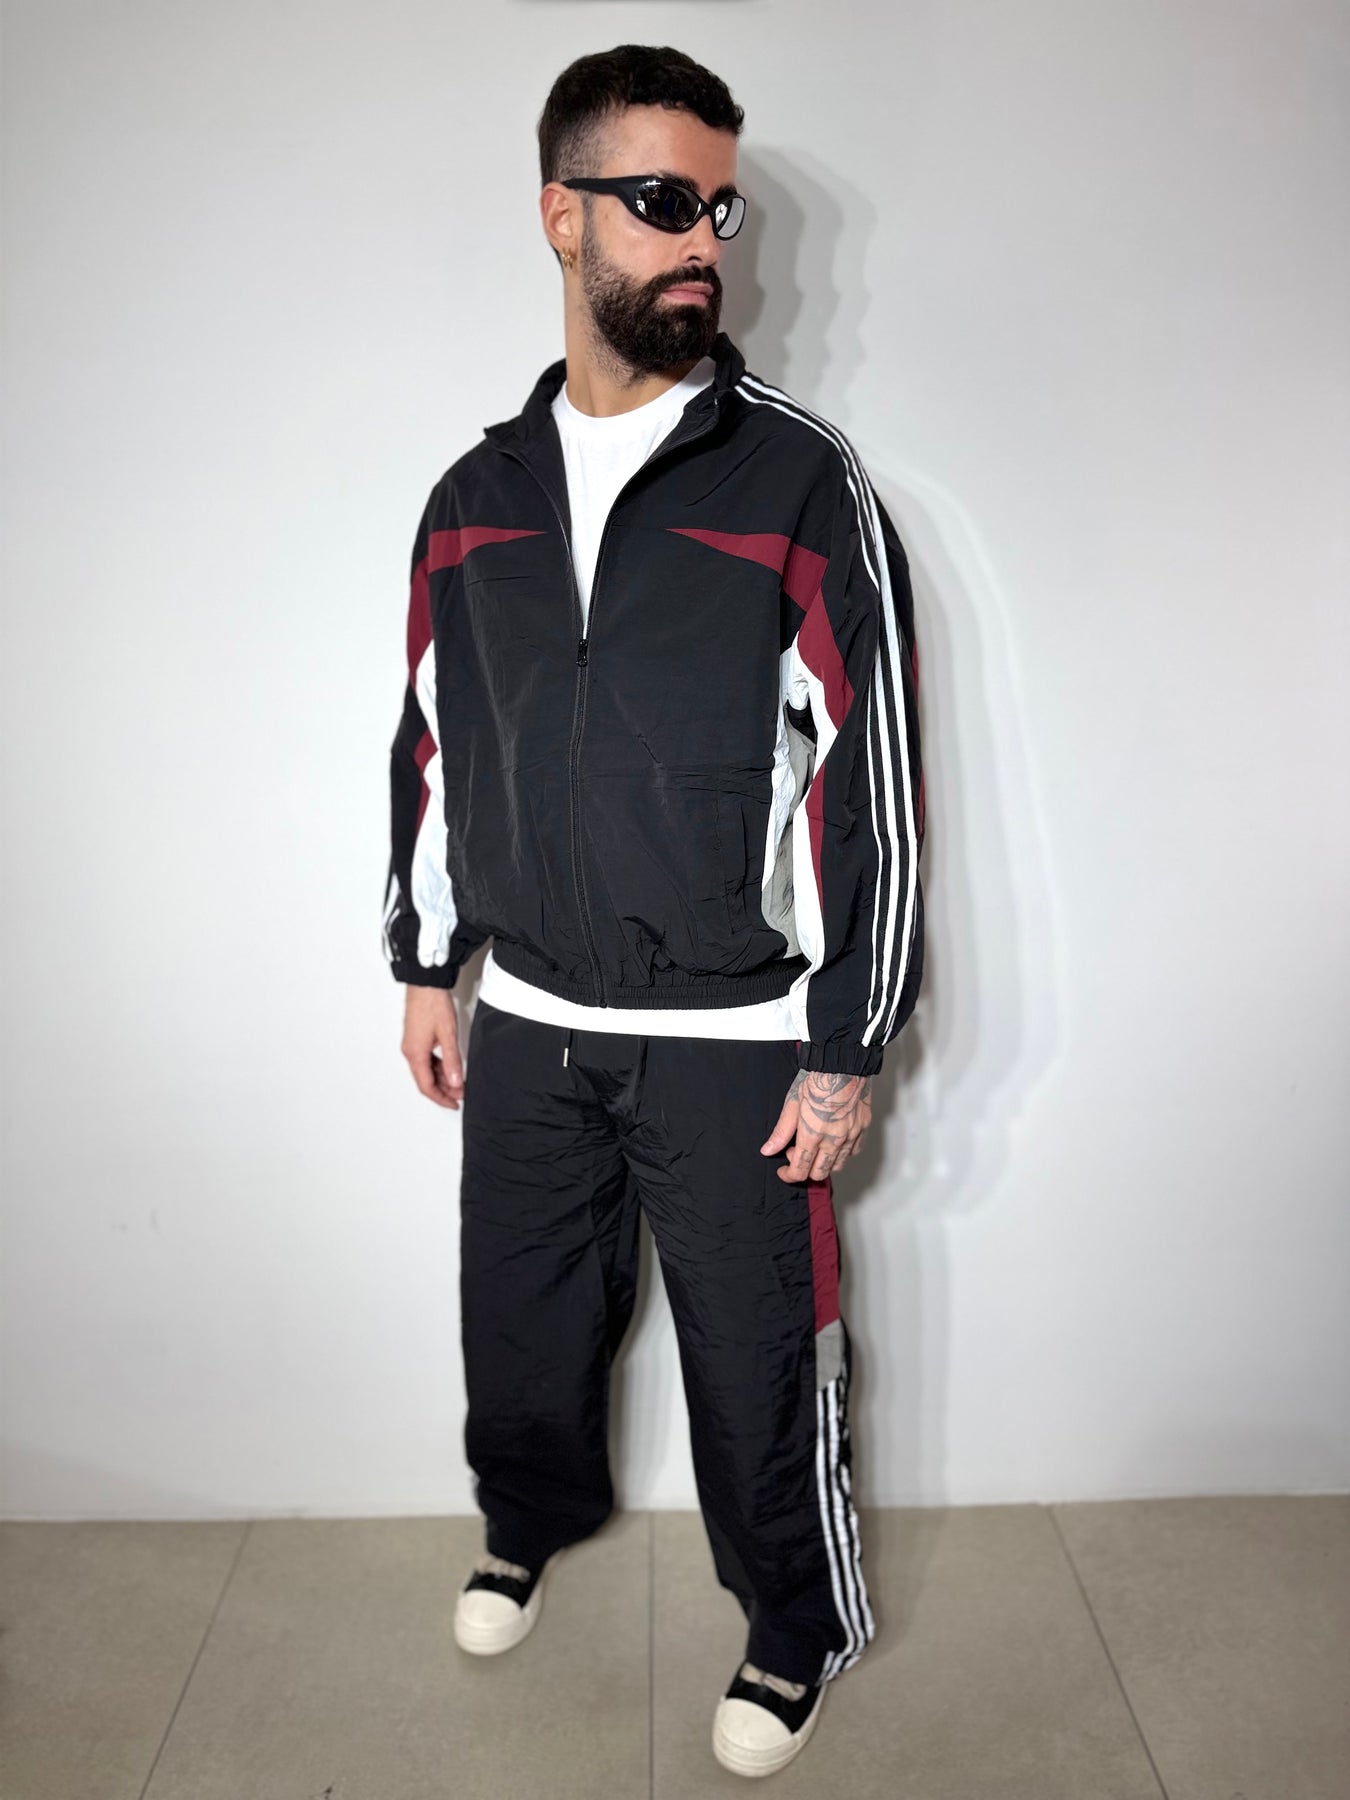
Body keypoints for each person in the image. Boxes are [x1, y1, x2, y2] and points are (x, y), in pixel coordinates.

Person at [382, 43, 925, 1780]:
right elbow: (432, 738)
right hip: (531, 1017)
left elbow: (872, 778)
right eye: (662, 202)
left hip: (733, 1039)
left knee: (760, 1363)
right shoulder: (474, 495)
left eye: (719, 209)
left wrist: (846, 1044)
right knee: (521, 1322)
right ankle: (524, 1522)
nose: (703, 241)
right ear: (564, 218)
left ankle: (791, 1624)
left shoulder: (797, 482)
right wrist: (425, 963)